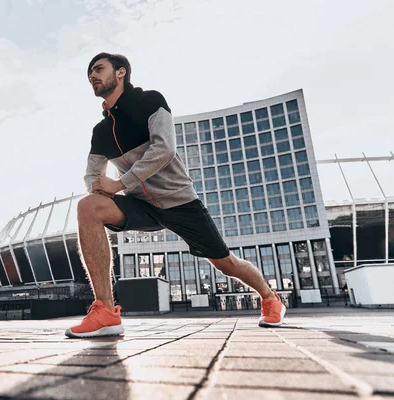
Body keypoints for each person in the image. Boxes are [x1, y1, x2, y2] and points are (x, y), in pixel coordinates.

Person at [65, 53, 286, 338]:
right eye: (89, 73)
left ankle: (270, 297)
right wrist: (96, 186)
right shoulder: (101, 131)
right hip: (140, 204)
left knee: (226, 263)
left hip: (179, 202)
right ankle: (106, 312)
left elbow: (164, 149)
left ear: (121, 72)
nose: (92, 76)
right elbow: (91, 172)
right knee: (89, 207)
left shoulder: (150, 102)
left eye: (98, 69)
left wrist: (120, 184)